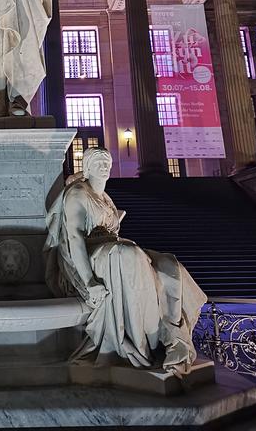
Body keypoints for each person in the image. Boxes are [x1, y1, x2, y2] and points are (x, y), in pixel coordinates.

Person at [45, 148, 206, 375]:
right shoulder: (78, 193)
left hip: (111, 248)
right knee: (129, 256)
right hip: (87, 258)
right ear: (87, 167)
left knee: (168, 265)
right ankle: (147, 342)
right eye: (98, 162)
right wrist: (90, 281)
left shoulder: (105, 197)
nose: (104, 167)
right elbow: (74, 238)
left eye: (107, 162)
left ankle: (172, 338)